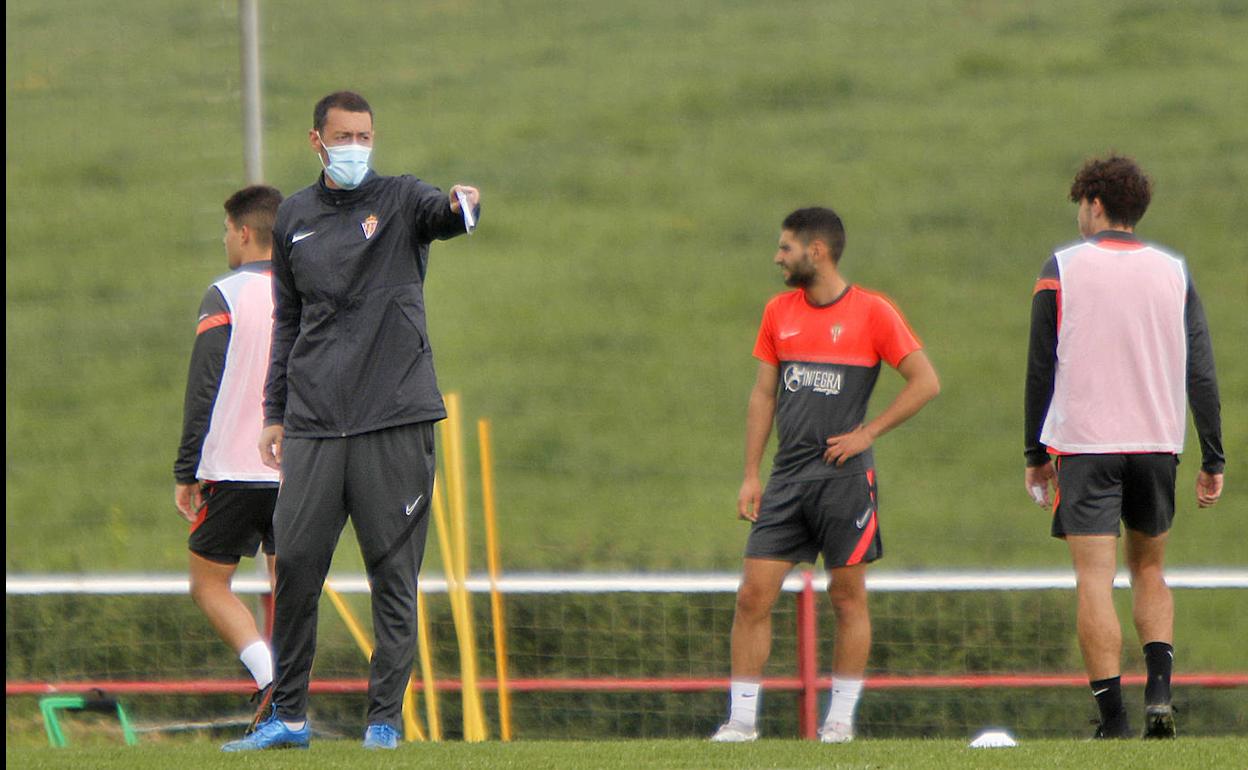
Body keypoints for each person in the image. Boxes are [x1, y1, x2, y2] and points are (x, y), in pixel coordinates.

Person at [223, 91, 481, 752]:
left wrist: (459, 208)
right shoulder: (296, 219)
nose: (356, 149)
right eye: (344, 137)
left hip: (393, 420)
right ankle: (289, 717)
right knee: (297, 568)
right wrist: (275, 414)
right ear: (316, 141)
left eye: (365, 137)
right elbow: (288, 323)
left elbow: (440, 215)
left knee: (392, 576)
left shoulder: (399, 198)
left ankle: (383, 724)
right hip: (311, 424)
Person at [711, 207, 940, 743]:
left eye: (785, 247)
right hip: (787, 480)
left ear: (816, 252)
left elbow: (925, 381)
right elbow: (763, 394)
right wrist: (750, 473)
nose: (777, 257)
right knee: (752, 595)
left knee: (847, 597)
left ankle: (839, 720)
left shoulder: (873, 312)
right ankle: (741, 722)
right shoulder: (777, 313)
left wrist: (868, 433)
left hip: (844, 481)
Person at [1024, 155, 1224, 739]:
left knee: (1094, 579)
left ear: (1094, 204)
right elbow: (1203, 372)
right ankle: (1159, 696)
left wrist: (1034, 453)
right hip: (1157, 443)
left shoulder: (1062, 268)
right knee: (1151, 570)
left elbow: (1040, 369)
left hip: (1086, 446)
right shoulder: (1173, 271)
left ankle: (1112, 721)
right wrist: (1213, 454)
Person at [174, 185, 284, 727]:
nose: (224, 240)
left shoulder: (224, 294)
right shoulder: (308, 290)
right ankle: (293, 697)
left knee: (209, 584)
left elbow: (205, 388)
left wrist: (185, 470)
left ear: (243, 232)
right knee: (291, 584)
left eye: (225, 231)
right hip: (302, 467)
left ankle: (269, 679)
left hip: (235, 469)